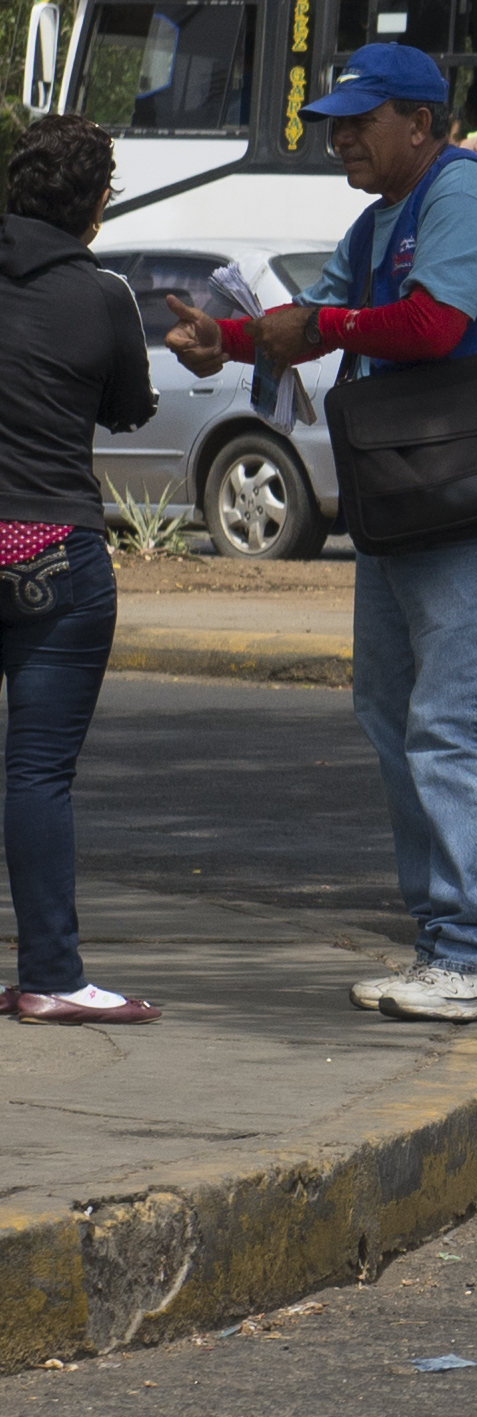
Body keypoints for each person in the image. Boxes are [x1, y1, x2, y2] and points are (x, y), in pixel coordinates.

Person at [162, 43, 477, 1022]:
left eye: (360, 121)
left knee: (458, 719)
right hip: (415, 496)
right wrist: (229, 338)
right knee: (391, 707)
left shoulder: (466, 194)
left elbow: (432, 326)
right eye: (333, 123)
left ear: (422, 121)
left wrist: (316, 327)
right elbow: (318, 321)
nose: (339, 138)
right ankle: (444, 942)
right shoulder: (380, 219)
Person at [0, 115, 162, 1025]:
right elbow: (130, 411)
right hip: (50, 551)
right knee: (37, 774)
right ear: (94, 204)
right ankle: (51, 977)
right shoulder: (103, 297)